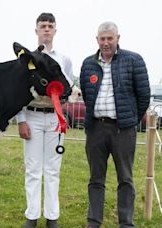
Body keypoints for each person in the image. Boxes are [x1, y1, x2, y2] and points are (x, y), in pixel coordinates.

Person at [79, 21, 150, 227]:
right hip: (96, 129)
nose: (106, 43)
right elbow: (87, 94)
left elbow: (143, 96)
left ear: (118, 38)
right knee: (95, 179)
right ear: (97, 40)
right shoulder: (88, 64)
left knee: (125, 179)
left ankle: (126, 223)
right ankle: (94, 222)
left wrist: (129, 120)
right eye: (102, 39)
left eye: (110, 38)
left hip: (123, 130)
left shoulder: (134, 60)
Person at [16, 12, 75, 228]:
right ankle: (31, 216)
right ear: (36, 30)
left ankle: (52, 217)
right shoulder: (27, 59)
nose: (47, 29)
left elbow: (67, 88)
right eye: (43, 25)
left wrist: (62, 112)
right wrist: (21, 120)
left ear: (55, 30)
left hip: (54, 117)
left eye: (50, 25)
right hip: (31, 115)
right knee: (32, 168)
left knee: (52, 169)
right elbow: (20, 90)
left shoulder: (64, 60)